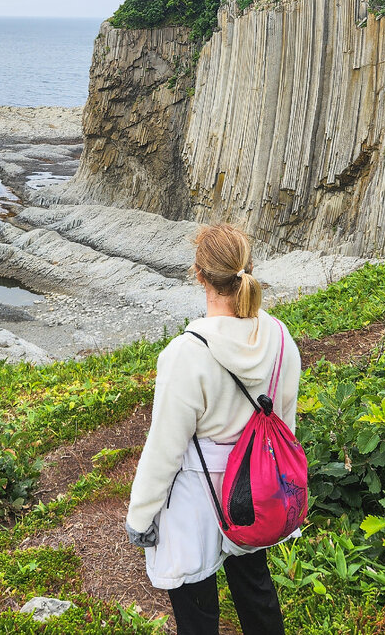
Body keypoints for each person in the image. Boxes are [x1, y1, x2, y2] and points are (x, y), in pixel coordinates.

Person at [125, 222, 299, 635]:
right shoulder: (278, 337)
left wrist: (141, 516)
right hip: (255, 491)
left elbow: (165, 449)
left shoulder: (187, 353)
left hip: (196, 501)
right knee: (256, 591)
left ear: (199, 274)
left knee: (198, 612)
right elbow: (283, 423)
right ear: (248, 269)